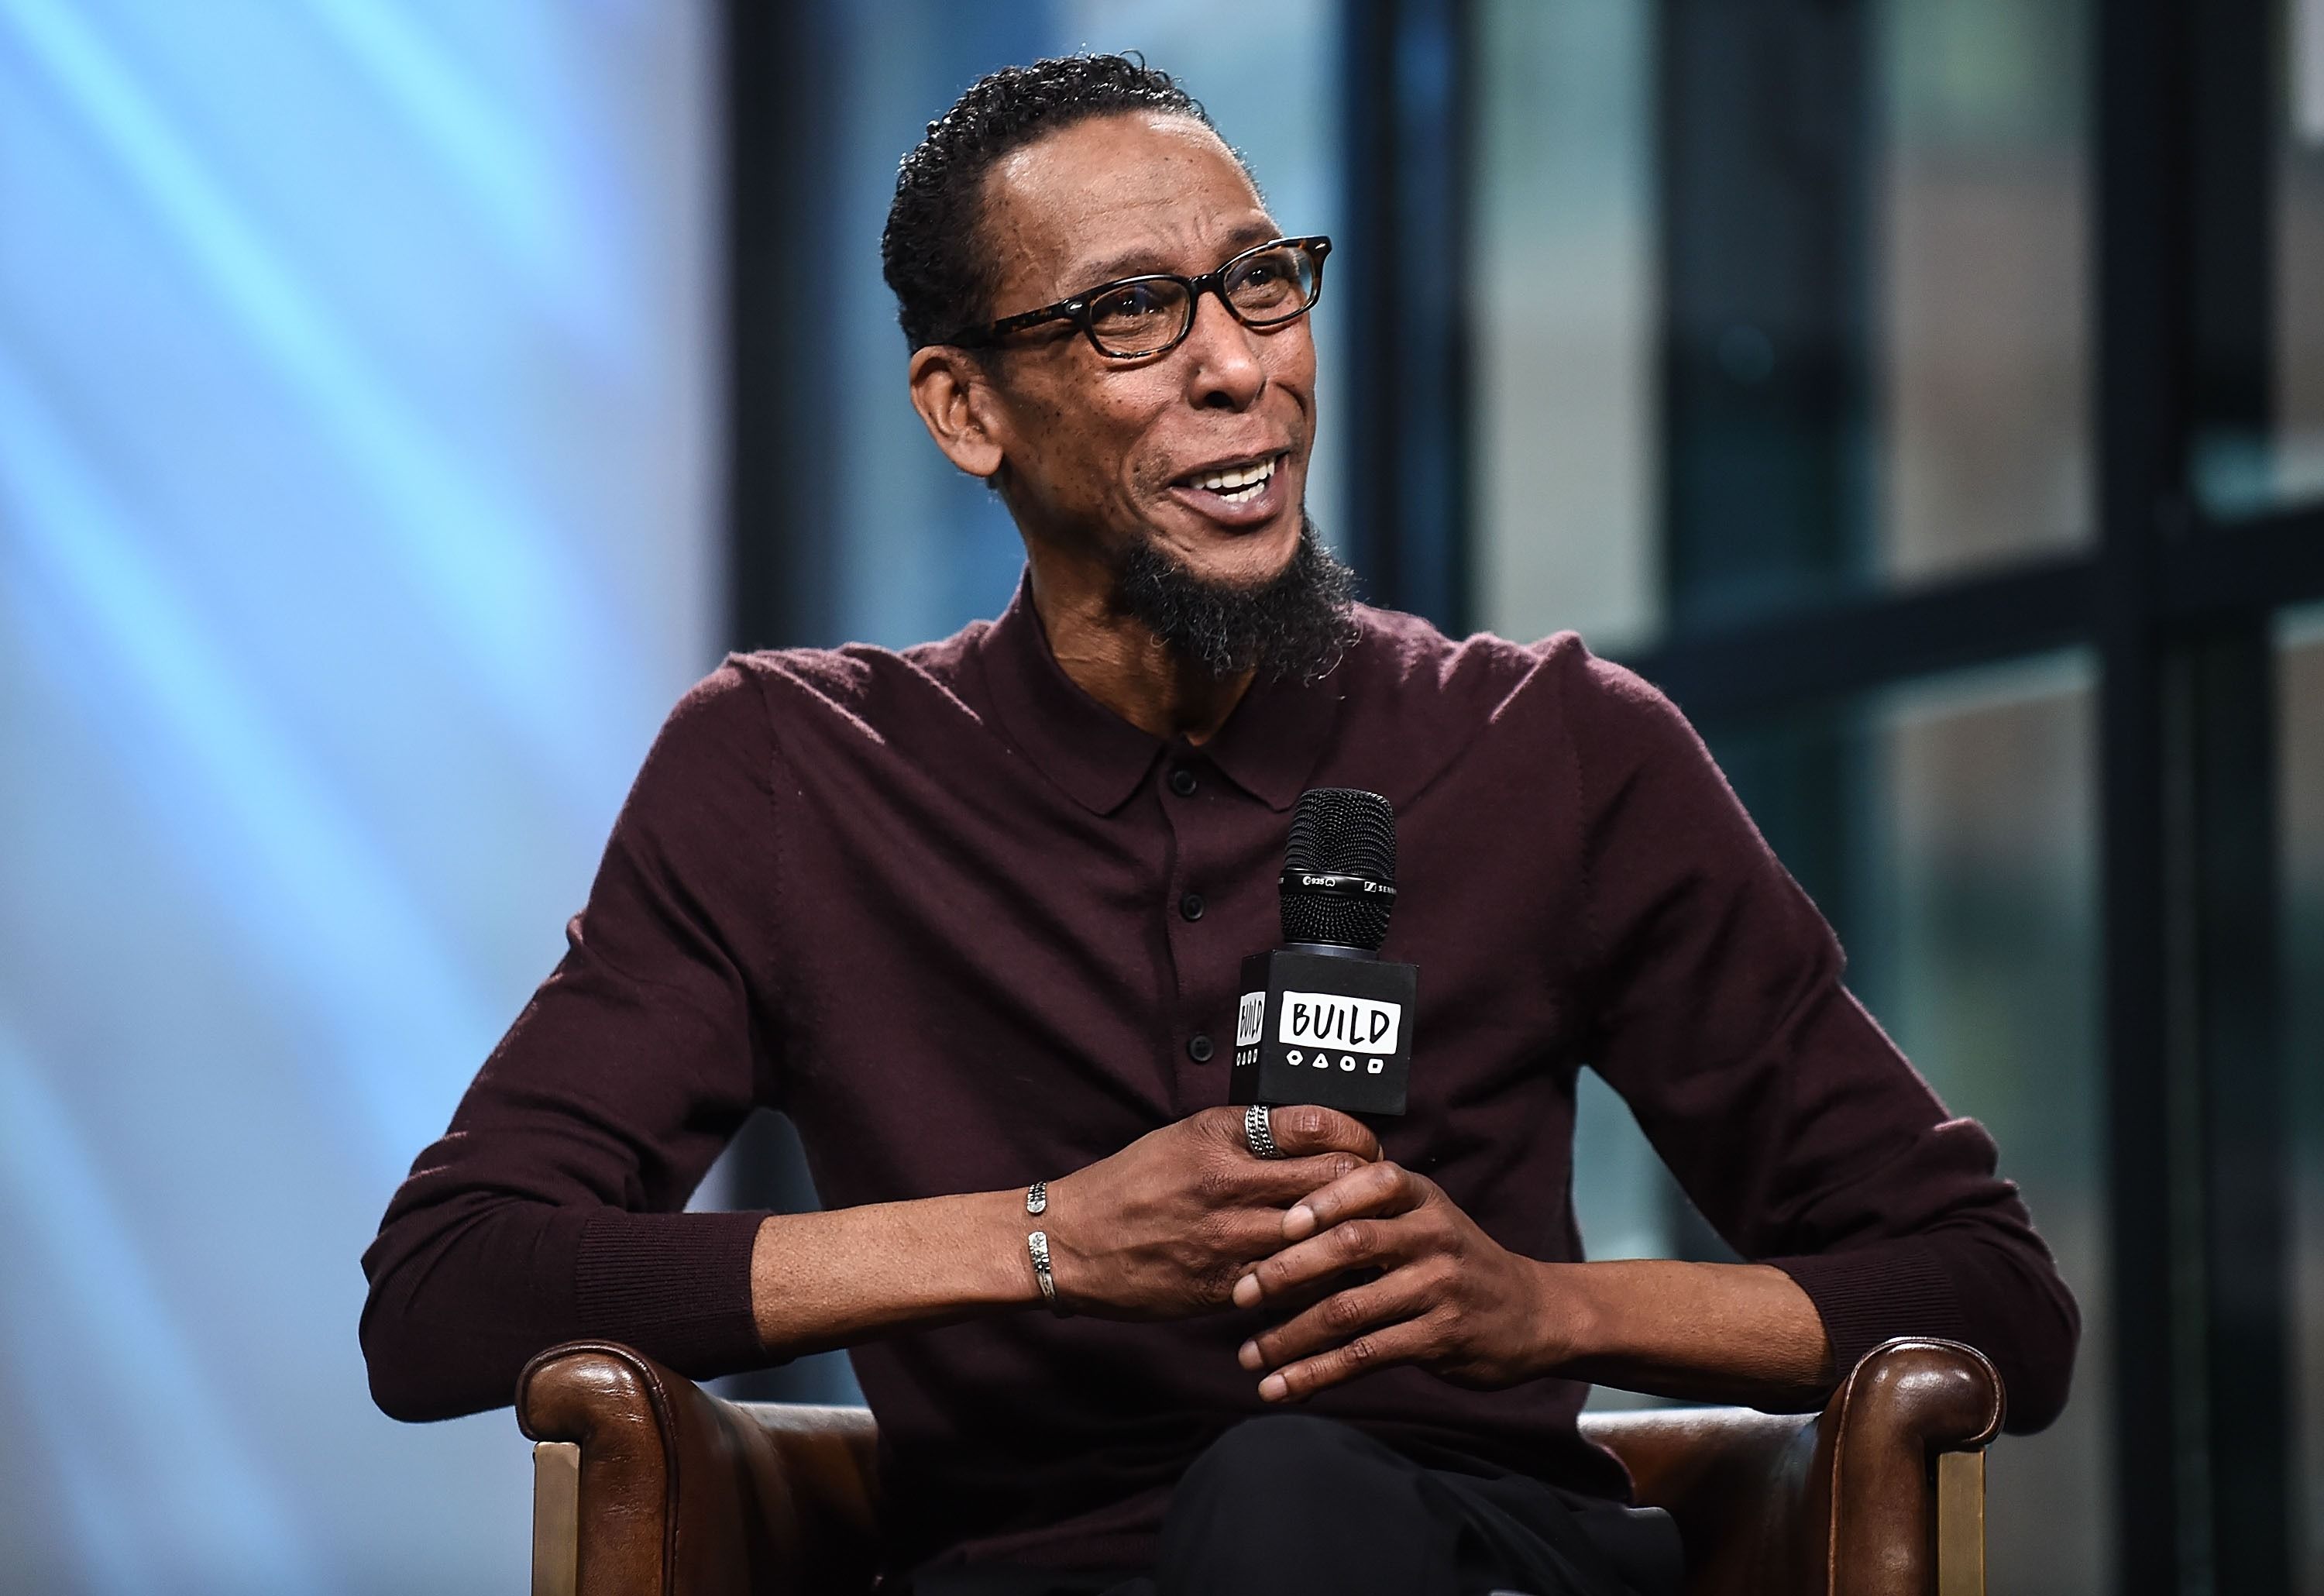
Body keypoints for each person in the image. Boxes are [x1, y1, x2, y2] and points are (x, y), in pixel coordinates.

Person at [361, 54, 2078, 1596]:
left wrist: (1543, 1307)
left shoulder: (1556, 747)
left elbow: (1990, 1299)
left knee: (1291, 1497)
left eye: (1262, 281)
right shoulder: (792, 771)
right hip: (1023, 1569)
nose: (1240, 367)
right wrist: (1044, 1240)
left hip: (1475, 1555)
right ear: (966, 410)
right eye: (1129, 314)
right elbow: (452, 1290)